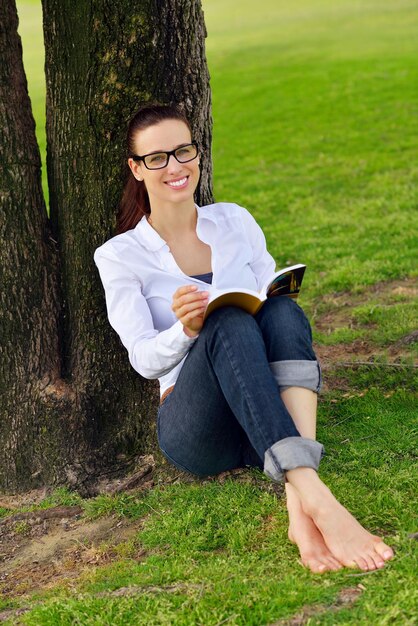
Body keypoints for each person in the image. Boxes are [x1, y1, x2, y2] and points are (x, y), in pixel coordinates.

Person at [94, 103, 394, 574]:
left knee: (280, 309)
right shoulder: (120, 255)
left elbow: (270, 305)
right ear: (136, 168)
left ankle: (301, 503)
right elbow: (143, 360)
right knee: (227, 321)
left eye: (183, 151)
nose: (174, 167)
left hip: (264, 414)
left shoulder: (233, 220)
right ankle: (321, 502)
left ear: (197, 152)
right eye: (157, 158)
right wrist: (185, 330)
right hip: (199, 429)